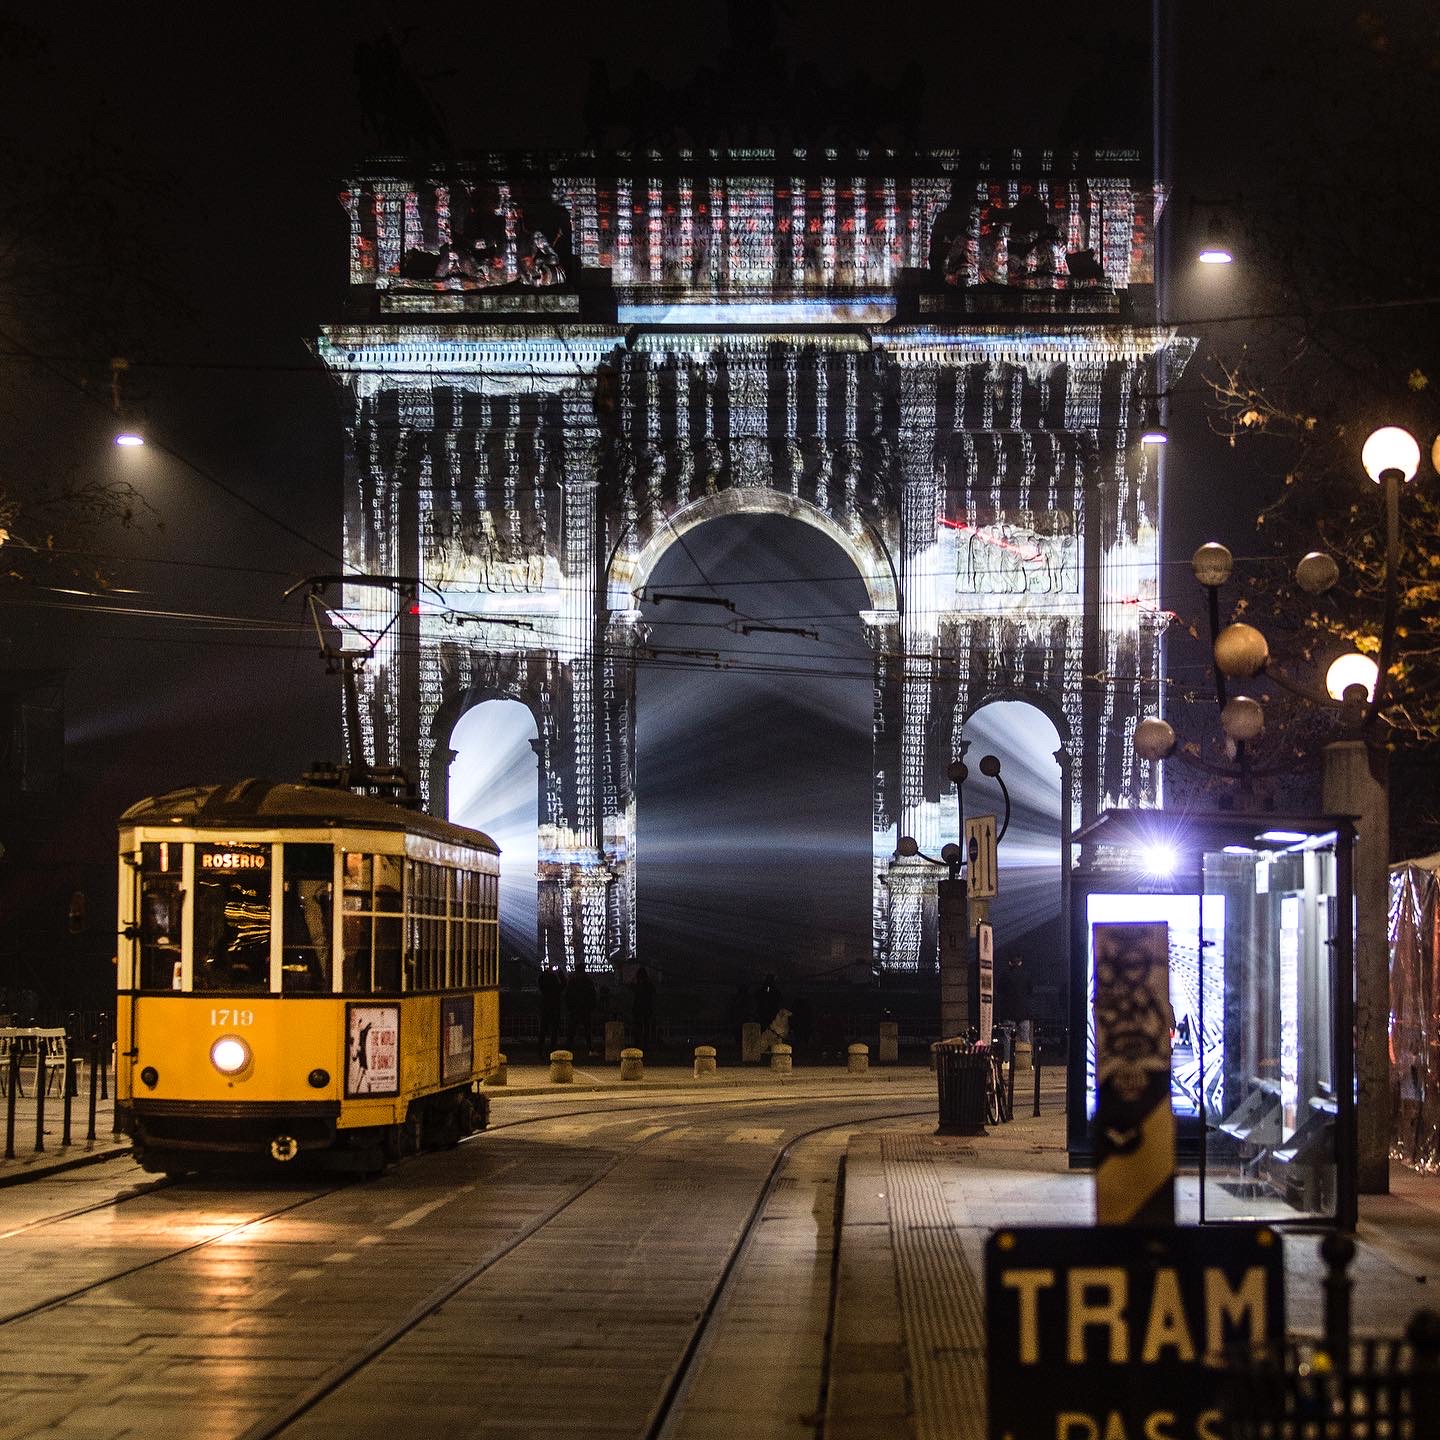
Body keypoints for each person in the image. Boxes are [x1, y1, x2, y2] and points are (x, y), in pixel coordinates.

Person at [565, 967, 597, 1055]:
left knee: (572, 1030)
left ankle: (568, 1049)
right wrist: (592, 1007)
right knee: (587, 1030)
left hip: (575, 1009)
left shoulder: (573, 982)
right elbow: (592, 995)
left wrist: (569, 1007)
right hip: (585, 1009)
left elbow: (568, 995)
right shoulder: (588, 982)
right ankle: (590, 1049)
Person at [538, 964, 563, 1057]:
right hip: (555, 1009)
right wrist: (559, 973)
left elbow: (540, 982)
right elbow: (564, 984)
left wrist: (545, 973)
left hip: (545, 1009)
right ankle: (552, 1048)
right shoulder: (557, 988)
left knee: (543, 1030)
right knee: (554, 1030)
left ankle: (540, 1050)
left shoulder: (544, 987)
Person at [631, 966, 655, 1050]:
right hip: (647, 1009)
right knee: (646, 1027)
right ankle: (645, 1043)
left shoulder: (637, 986)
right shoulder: (649, 985)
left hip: (638, 1009)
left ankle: (638, 1043)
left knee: (638, 1027)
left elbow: (631, 989)